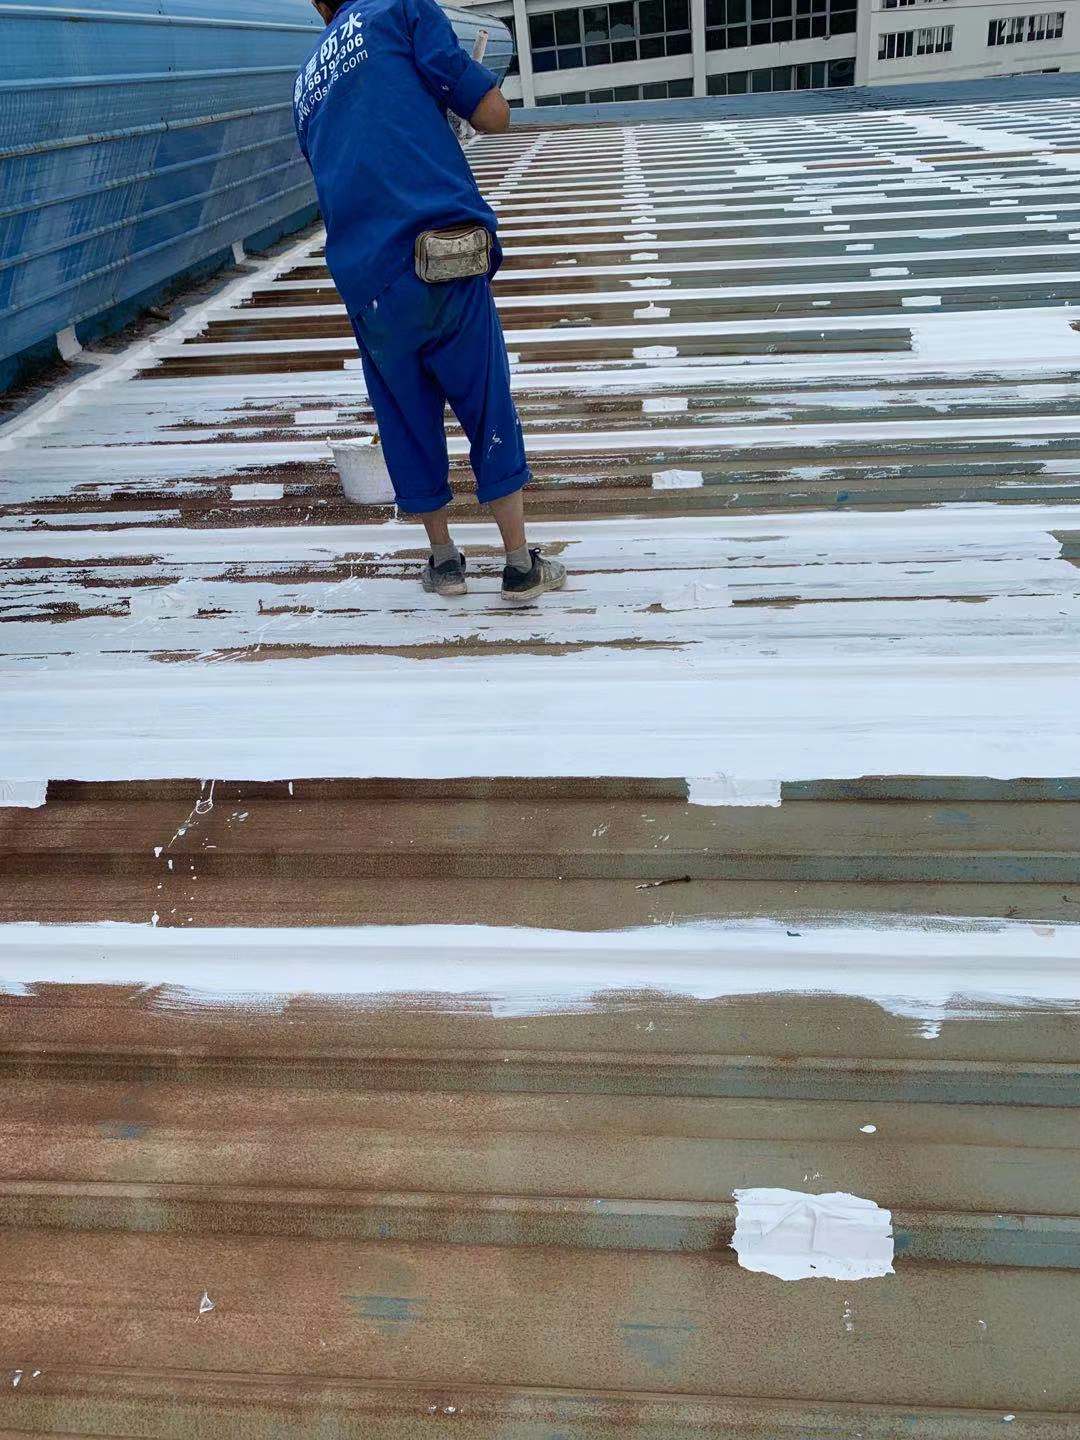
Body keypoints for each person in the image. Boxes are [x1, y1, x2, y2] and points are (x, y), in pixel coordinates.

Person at [294, 0, 566, 603]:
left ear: (317, 5)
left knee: (404, 416)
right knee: (485, 401)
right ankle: (518, 565)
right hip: (437, 251)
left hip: (366, 281)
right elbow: (493, 115)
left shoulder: (305, 83)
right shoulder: (400, 7)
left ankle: (444, 562)